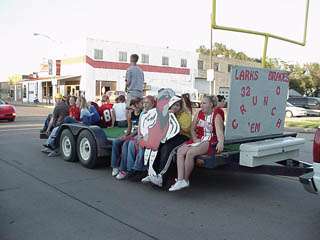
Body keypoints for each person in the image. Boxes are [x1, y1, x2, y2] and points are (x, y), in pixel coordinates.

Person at [168, 95, 225, 191]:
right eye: (201, 103)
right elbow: (192, 129)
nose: (201, 105)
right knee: (180, 151)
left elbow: (219, 131)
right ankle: (180, 179)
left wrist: (221, 142)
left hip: (210, 140)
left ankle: (185, 180)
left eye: (204, 103)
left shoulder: (216, 115)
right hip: (198, 139)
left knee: (190, 153)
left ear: (211, 104)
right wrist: (194, 139)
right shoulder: (198, 113)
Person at [142, 95, 192, 187]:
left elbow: (185, 128)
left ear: (181, 106)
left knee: (167, 148)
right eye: (174, 105)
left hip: (182, 136)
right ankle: (152, 173)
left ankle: (162, 177)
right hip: (170, 135)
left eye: (178, 105)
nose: (176, 107)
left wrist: (172, 117)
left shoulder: (185, 114)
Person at [116, 96, 156, 180]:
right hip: (141, 135)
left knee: (132, 144)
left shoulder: (154, 113)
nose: (144, 105)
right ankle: (127, 169)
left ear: (152, 104)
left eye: (147, 103)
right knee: (126, 144)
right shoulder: (143, 113)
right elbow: (140, 127)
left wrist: (142, 138)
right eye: (144, 103)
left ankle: (135, 169)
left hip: (151, 137)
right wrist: (139, 136)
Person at [111, 98, 143, 179]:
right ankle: (115, 166)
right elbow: (129, 127)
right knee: (116, 141)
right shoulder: (130, 114)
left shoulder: (142, 114)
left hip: (137, 134)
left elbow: (139, 130)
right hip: (131, 134)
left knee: (126, 144)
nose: (131, 108)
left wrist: (129, 136)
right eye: (140, 103)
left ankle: (123, 169)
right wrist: (125, 135)